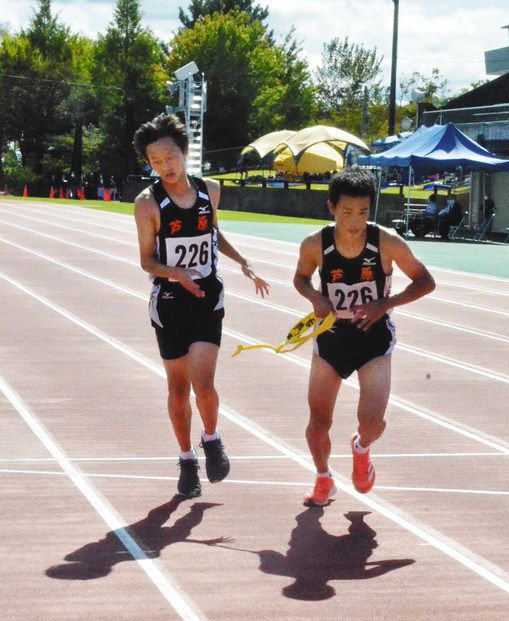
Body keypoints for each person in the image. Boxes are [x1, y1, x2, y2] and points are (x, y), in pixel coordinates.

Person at [133, 113, 269, 498]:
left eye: (170, 157)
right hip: (171, 303)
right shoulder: (148, 204)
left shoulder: (210, 189)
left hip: (207, 298)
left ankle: (212, 438)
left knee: (203, 382)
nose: (165, 167)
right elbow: (146, 261)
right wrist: (175, 273)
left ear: (185, 152)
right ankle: (186, 458)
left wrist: (243, 261)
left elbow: (213, 231)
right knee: (178, 388)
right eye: (156, 161)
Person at [293, 167, 435, 506]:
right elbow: (301, 278)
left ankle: (361, 449)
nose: (355, 220)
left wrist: (385, 304)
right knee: (317, 422)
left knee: (372, 422)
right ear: (331, 207)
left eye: (362, 211)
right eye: (346, 212)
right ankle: (324, 479)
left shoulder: (386, 242)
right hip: (332, 339)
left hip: (373, 341)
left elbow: (425, 281)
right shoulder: (316, 244)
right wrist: (316, 298)